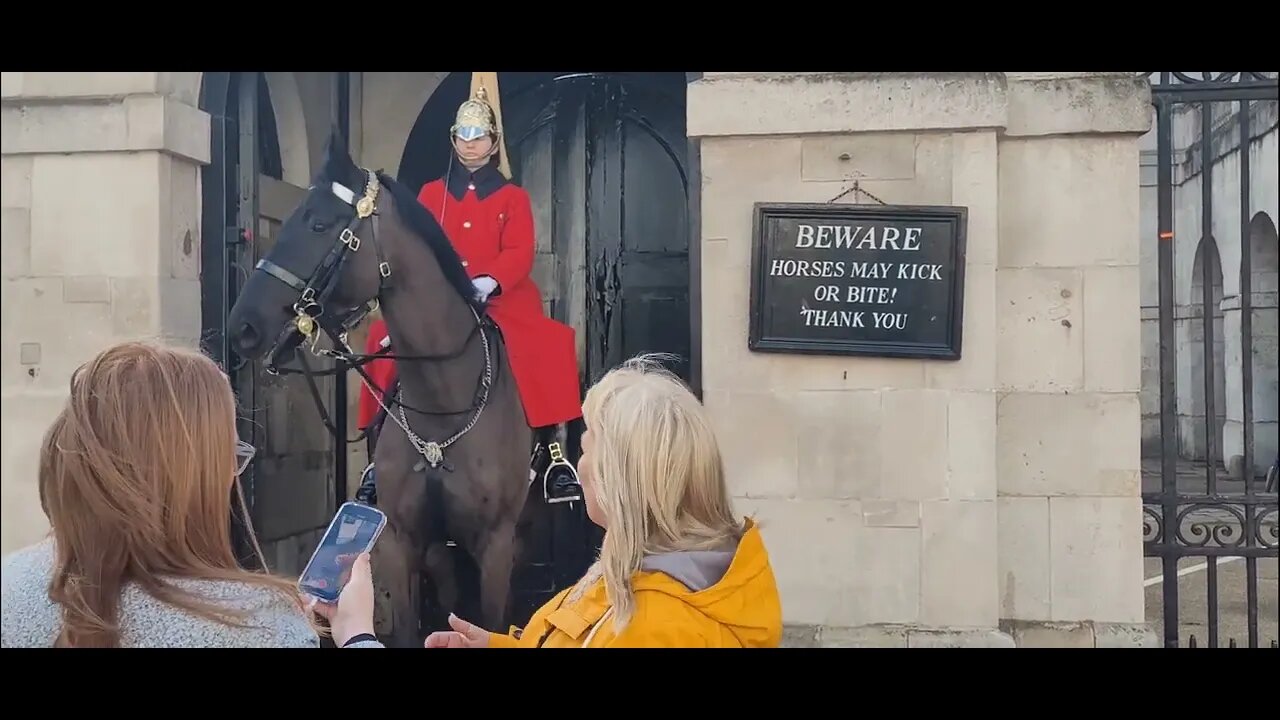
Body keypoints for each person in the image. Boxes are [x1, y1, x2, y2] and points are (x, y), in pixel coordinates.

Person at [0, 340, 382, 649]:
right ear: (193, 476)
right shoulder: (257, 627)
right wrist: (357, 634)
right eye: (229, 457)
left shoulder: (9, 587)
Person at [414, 353, 782, 648]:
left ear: (617, 482)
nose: (579, 465)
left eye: (586, 449)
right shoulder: (639, 572)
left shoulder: (652, 630)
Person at [355, 74, 584, 507]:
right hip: (438, 301)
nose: (471, 142)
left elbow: (520, 249)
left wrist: (489, 281)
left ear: (494, 142)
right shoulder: (430, 194)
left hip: (498, 299)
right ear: (454, 139)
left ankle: (556, 456)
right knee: (380, 342)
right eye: (464, 134)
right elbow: (416, 245)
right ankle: (376, 452)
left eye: (479, 135)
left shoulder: (512, 196)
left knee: (552, 343)